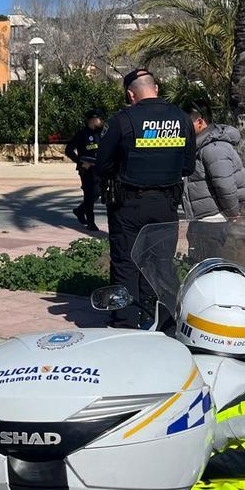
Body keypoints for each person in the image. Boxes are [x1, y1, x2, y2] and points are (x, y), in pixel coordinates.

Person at [95, 68, 197, 328]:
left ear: (131, 94)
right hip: (166, 205)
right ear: (156, 89)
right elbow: (188, 167)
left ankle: (125, 322)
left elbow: (103, 163)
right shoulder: (182, 119)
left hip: (128, 204)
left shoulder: (122, 120)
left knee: (126, 263)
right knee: (160, 263)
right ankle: (161, 318)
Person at [182, 101, 245, 261]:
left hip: (213, 219)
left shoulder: (214, 148)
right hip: (207, 218)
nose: (181, 127)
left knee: (210, 264)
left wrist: (232, 213)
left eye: (185, 121)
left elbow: (224, 185)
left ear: (200, 121)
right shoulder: (201, 146)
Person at [65, 108, 106, 231]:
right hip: (86, 170)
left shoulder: (103, 132)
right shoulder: (82, 134)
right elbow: (68, 150)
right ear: (91, 120)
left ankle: (79, 210)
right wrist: (80, 162)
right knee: (88, 195)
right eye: (100, 119)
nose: (102, 121)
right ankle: (91, 222)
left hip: (100, 167)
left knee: (97, 192)